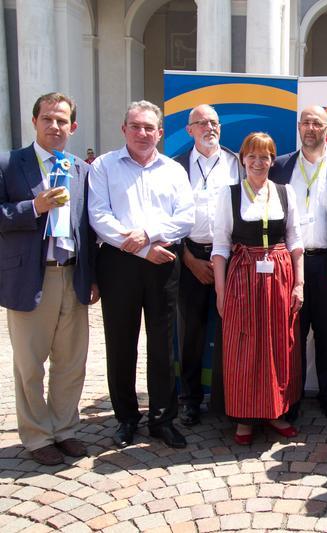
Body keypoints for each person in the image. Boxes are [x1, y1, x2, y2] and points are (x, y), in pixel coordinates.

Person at [89, 100, 195, 449]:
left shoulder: (173, 170)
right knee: (121, 343)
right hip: (119, 263)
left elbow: (185, 217)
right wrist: (137, 246)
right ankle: (126, 418)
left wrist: (147, 235)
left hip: (163, 261)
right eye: (135, 126)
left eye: (149, 128)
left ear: (160, 133)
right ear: (124, 129)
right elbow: (99, 216)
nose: (142, 133)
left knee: (164, 344)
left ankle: (162, 418)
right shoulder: (104, 166)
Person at [0, 92, 99, 465]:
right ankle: (38, 435)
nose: (54, 126)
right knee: (30, 364)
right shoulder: (10, 163)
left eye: (62, 121)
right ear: (35, 121)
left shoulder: (81, 169)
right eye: (48, 119)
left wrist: (92, 277)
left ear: (72, 127)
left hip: (72, 274)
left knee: (71, 362)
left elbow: (87, 230)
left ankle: (65, 429)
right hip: (30, 277)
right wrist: (33, 207)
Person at [270, 105, 327, 422]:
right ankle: (291, 399)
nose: (310, 128)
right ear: (299, 127)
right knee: (291, 337)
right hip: (288, 267)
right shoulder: (281, 166)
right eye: (305, 122)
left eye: (317, 123)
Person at [211, 132, 303, 444]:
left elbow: (295, 241)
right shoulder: (229, 194)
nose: (258, 162)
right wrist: (221, 292)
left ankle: (275, 412)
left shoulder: (285, 192)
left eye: (265, 156)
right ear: (242, 159)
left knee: (278, 343)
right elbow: (221, 246)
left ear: (272, 160)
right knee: (243, 345)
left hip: (279, 276)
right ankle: (244, 417)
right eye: (252, 155)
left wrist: (299, 284)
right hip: (242, 277)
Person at [174, 104, 243, 426]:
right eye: (201, 123)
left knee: (233, 332)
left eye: (214, 122)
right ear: (190, 130)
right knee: (191, 334)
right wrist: (188, 259)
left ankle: (230, 398)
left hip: (231, 260)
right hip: (189, 259)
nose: (209, 127)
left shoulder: (236, 162)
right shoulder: (174, 167)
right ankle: (189, 399)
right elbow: (168, 221)